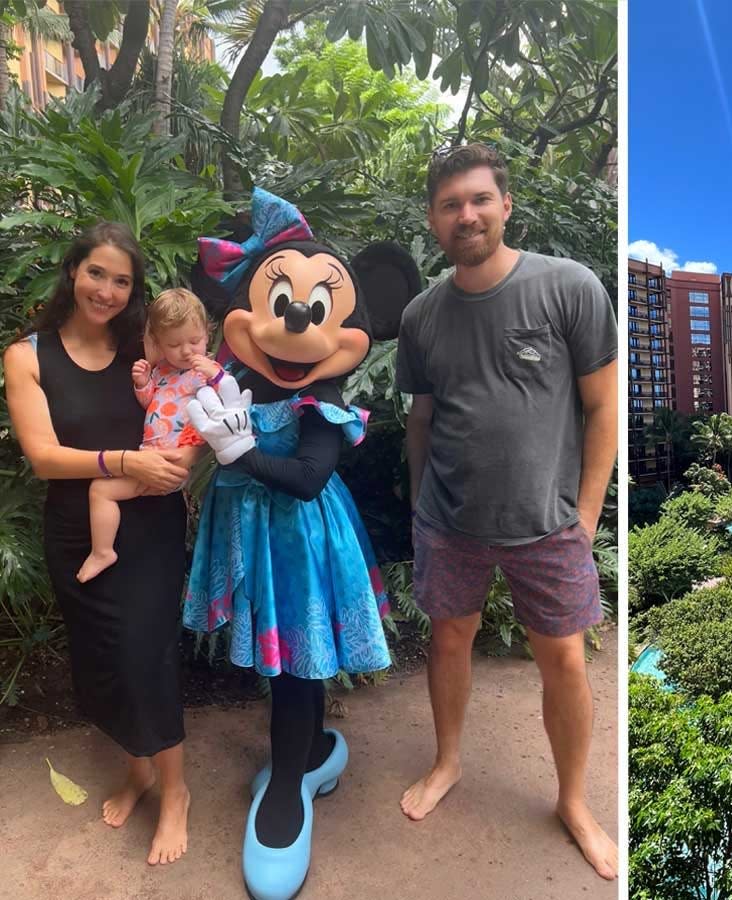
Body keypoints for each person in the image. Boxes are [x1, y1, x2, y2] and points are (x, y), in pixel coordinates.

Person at [182, 187, 423, 900]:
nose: (292, 321)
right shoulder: (235, 379)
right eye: (279, 301)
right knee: (285, 662)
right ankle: (314, 752)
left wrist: (240, 455)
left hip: (300, 539)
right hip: (251, 535)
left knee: (296, 664)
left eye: (316, 309)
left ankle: (287, 788)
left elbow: (311, 477)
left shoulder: (323, 401)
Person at [395, 143, 619, 880]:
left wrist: (585, 518)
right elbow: (421, 421)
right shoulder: (422, 315)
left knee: (562, 661)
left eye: (480, 199)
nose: (468, 214)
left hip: (549, 526)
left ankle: (573, 802)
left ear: (506, 205)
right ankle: (448, 762)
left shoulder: (569, 286)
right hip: (449, 522)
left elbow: (601, 409)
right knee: (449, 642)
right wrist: (423, 504)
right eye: (452, 204)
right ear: (433, 220)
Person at [3, 222, 192, 865]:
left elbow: (192, 404)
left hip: (152, 526)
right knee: (108, 659)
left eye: (122, 280)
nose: (107, 290)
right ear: (72, 272)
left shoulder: (146, 348)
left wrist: (179, 459)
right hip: (76, 532)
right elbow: (45, 458)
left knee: (146, 655)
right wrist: (127, 463)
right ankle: (138, 770)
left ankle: (176, 792)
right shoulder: (28, 356)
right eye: (96, 274)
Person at [76, 288, 222, 582]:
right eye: (174, 344)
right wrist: (143, 383)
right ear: (157, 343)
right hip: (149, 458)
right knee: (107, 492)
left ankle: (103, 551)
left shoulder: (207, 371)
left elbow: (226, 403)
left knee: (100, 491)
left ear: (207, 334)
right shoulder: (163, 371)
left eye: (195, 341)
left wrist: (215, 374)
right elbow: (152, 405)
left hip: (171, 461)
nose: (186, 351)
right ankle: (106, 550)